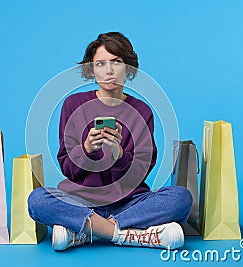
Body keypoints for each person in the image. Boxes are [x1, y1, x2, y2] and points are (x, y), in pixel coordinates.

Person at [28, 32, 192, 251]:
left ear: (128, 68)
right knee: (38, 200)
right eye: (100, 63)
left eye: (116, 62)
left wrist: (120, 156)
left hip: (129, 204)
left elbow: (140, 175)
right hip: (80, 202)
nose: (108, 71)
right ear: (92, 69)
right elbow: (68, 169)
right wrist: (86, 149)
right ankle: (127, 234)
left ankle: (86, 233)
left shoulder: (142, 111)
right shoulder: (73, 104)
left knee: (180, 197)